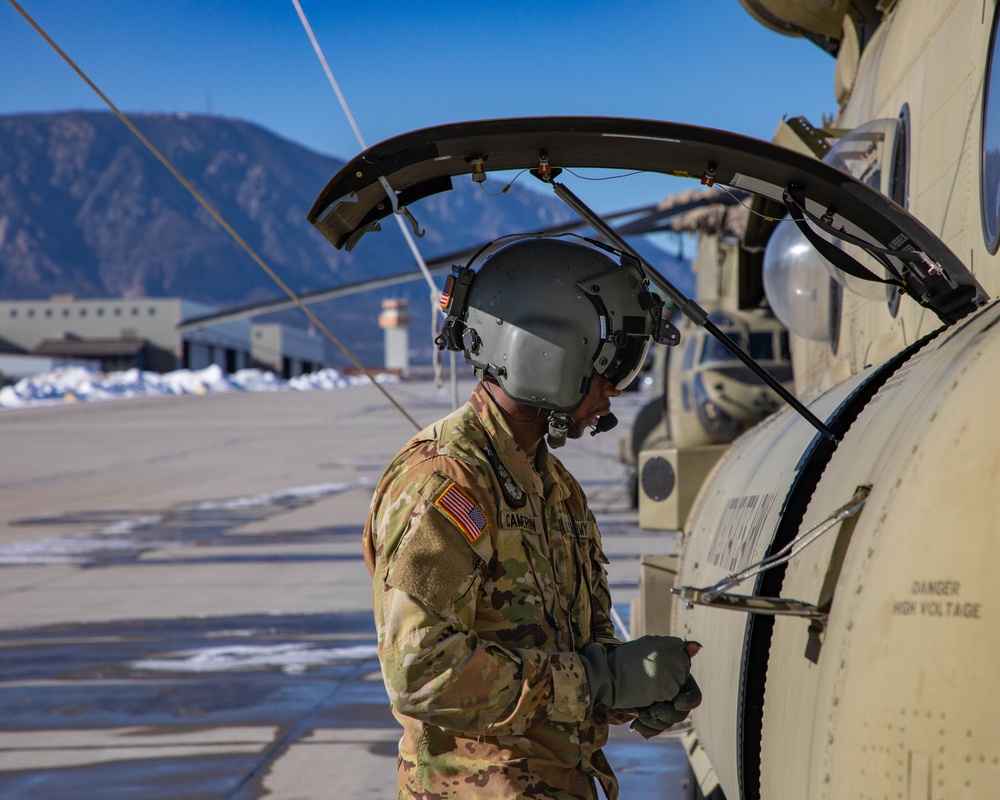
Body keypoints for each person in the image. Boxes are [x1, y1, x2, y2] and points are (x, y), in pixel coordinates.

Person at [363, 236, 701, 800]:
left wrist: (631, 683)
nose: (615, 390)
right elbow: (421, 672)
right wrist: (597, 683)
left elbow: (571, 657)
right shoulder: (447, 483)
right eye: (608, 364)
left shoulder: (554, 488)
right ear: (549, 354)